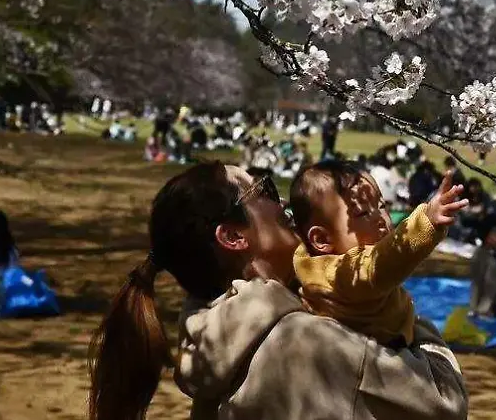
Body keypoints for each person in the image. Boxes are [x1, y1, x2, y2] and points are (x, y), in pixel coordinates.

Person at [88, 163, 468, 420]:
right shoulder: (303, 341)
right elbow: (444, 405)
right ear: (233, 236)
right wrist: (415, 328)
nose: (284, 202)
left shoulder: (215, 334)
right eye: (263, 188)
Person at [288, 163, 467, 347]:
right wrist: (426, 222)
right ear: (322, 239)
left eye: (381, 205)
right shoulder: (339, 274)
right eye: (363, 212)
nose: (381, 218)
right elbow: (381, 264)